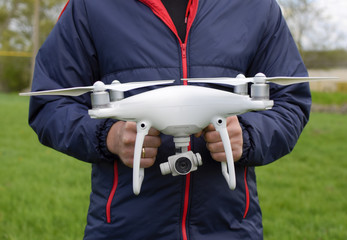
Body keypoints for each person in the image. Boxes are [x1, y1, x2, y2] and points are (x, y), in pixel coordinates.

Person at [28, 0, 311, 239]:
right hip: (125, 228)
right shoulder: (91, 6)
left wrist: (248, 137)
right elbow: (49, 102)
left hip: (229, 227)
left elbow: (292, 100)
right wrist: (108, 137)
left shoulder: (255, 6)